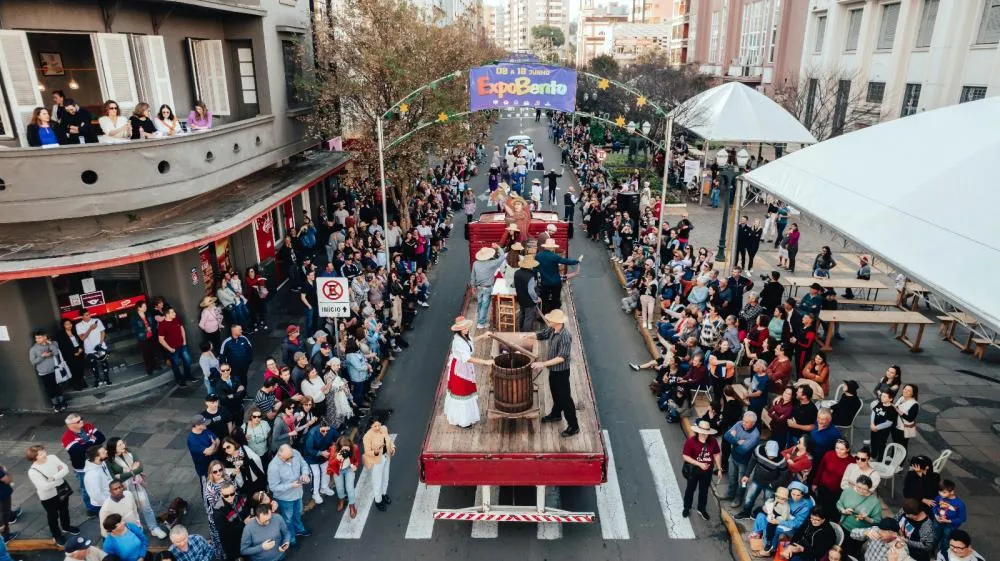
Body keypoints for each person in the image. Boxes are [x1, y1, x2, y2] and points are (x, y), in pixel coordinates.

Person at [105, 438, 167, 539]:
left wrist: (126, 473)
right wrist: (133, 470)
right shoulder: (110, 461)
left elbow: (140, 468)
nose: (123, 446)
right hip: (123, 489)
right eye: (119, 445)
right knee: (130, 511)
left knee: (146, 507)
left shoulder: (129, 453)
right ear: (113, 448)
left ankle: (153, 527)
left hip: (136, 484)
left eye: (122, 443)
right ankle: (135, 530)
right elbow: (115, 478)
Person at [444, 317, 493, 428]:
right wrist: (485, 362)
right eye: (463, 328)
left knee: (467, 392)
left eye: (466, 327)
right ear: (458, 330)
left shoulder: (464, 336)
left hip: (464, 367)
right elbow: (467, 358)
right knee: (462, 393)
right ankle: (462, 420)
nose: (466, 329)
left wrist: (483, 336)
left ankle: (468, 417)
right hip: (460, 370)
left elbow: (471, 341)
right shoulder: (458, 341)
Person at [25, 445, 78, 544]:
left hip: (61, 490)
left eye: (43, 451)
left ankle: (66, 527)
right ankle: (56, 535)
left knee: (64, 510)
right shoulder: (33, 471)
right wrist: (58, 476)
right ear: (34, 457)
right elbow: (43, 487)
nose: (44, 454)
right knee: (53, 516)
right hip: (48, 497)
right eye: (40, 454)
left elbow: (66, 469)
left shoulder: (52, 457)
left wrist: (52, 478)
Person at [62, 414, 106, 517]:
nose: (82, 422)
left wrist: (87, 445)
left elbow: (102, 437)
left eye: (81, 419)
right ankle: (91, 509)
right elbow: (78, 451)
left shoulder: (87, 426)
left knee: (102, 481)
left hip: (97, 462)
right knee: (85, 488)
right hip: (82, 467)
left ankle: (102, 502)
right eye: (78, 421)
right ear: (70, 425)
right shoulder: (67, 437)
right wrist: (93, 442)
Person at [266, 445, 310, 546]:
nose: (290, 460)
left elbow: (303, 464)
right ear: (279, 455)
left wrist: (305, 473)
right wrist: (291, 485)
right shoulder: (273, 467)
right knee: (288, 519)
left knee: (298, 513)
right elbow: (273, 487)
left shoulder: (294, 452)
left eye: (291, 457)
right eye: (287, 459)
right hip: (285, 498)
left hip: (298, 493)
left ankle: (299, 529)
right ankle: (292, 538)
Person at [736, 440, 788, 519]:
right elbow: (752, 461)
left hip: (770, 485)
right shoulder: (758, 450)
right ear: (766, 449)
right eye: (770, 454)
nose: (771, 457)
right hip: (757, 480)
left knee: (768, 503)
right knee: (749, 498)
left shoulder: (781, 460)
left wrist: (773, 484)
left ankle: (764, 517)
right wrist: (747, 475)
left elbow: (784, 476)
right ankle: (746, 513)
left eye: (773, 455)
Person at [681, 420, 722, 520]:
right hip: (694, 471)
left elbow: (716, 454)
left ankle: (701, 509)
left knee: (704, 491)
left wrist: (719, 468)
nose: (704, 435)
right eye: (702, 433)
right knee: (690, 489)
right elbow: (685, 456)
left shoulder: (713, 441)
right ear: (698, 431)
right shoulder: (691, 441)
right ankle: (687, 507)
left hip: (707, 472)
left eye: (706, 433)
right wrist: (699, 464)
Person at [723, 412, 761, 508]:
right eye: (743, 420)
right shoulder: (739, 423)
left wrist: (733, 438)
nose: (743, 423)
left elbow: (742, 450)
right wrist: (737, 441)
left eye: (747, 422)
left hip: (744, 462)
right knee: (731, 477)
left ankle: (739, 498)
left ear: (753, 424)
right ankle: (731, 494)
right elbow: (726, 436)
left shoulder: (755, 435)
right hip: (733, 457)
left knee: (742, 482)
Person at [838, 475, 883, 556]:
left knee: (851, 554)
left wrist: (866, 518)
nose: (861, 491)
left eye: (864, 489)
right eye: (858, 487)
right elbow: (839, 503)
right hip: (843, 526)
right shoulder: (848, 491)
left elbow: (877, 521)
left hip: (859, 534)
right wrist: (843, 510)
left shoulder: (874, 502)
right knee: (839, 550)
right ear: (855, 484)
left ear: (869, 488)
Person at [535, 238, 582, 314]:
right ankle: (555, 314)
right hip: (555, 282)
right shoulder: (554, 256)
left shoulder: (538, 256)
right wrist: (577, 261)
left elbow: (535, 269)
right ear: (552, 247)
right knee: (555, 298)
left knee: (544, 299)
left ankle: (544, 315)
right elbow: (566, 261)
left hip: (545, 282)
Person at [812, 438, 854, 515]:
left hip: (838, 491)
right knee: (821, 507)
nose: (838, 451)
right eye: (837, 448)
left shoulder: (851, 461)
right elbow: (820, 469)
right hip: (823, 487)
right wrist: (815, 483)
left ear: (847, 449)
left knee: (833, 509)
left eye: (842, 449)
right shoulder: (828, 454)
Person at [29, 330, 67, 412]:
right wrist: (42, 356)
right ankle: (56, 404)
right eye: (36, 338)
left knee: (58, 387)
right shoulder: (33, 349)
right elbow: (33, 362)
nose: (37, 340)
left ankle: (62, 402)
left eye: (39, 338)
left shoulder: (53, 343)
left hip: (55, 370)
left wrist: (50, 344)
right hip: (44, 372)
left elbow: (56, 352)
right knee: (50, 389)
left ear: (45, 337)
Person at [362, 418, 395, 512]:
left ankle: (384, 493)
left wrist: (392, 448)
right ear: (370, 426)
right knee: (377, 481)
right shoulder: (367, 436)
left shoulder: (383, 429)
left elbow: (388, 440)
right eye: (375, 426)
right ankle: (378, 500)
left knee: (385, 477)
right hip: (376, 460)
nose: (377, 427)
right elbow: (367, 452)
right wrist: (375, 452)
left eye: (379, 425)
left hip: (386, 456)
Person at [469, 244, 506, 329]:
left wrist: (473, 287)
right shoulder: (491, 264)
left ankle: (480, 321)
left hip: (479, 287)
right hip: (488, 287)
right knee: (484, 306)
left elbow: (473, 277)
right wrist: (498, 247)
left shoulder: (475, 264)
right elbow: (502, 257)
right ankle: (481, 323)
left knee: (480, 305)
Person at [301, 423, 337, 505]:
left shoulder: (331, 430)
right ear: (319, 428)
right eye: (323, 431)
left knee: (326, 471)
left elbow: (338, 439)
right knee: (316, 474)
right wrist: (321, 453)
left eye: (327, 430)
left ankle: (324, 487)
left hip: (324, 455)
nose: (325, 433)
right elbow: (308, 449)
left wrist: (335, 445)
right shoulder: (312, 433)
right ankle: (315, 493)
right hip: (311, 457)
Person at [212, 482, 249, 561]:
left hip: (245, 537)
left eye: (232, 494)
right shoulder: (218, 511)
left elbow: (247, 510)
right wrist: (243, 524)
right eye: (226, 495)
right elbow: (226, 533)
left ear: (235, 491)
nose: (230, 497)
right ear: (221, 495)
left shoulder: (240, 498)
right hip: (233, 544)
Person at [158, 307, 194, 387]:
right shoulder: (162, 325)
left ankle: (188, 376)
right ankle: (179, 380)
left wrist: (184, 341)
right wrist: (169, 348)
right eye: (172, 312)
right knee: (175, 365)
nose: (175, 313)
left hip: (182, 345)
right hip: (173, 349)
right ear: (167, 314)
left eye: (174, 312)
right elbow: (161, 339)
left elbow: (182, 329)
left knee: (188, 361)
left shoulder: (176, 319)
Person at [76, 309, 112, 387]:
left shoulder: (97, 320)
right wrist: (90, 329)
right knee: (93, 365)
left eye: (89, 314)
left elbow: (102, 332)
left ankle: (107, 378)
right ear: (82, 316)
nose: (89, 316)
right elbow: (82, 338)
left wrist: (101, 343)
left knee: (104, 363)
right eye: (86, 315)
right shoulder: (78, 325)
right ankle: (97, 380)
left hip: (100, 347)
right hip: (89, 349)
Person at [327, 435, 360, 518]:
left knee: (350, 488)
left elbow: (356, 460)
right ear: (339, 447)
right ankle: (342, 500)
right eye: (344, 449)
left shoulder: (354, 448)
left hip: (349, 469)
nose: (346, 450)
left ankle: (351, 505)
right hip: (338, 470)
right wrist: (337, 459)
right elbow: (330, 464)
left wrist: (355, 466)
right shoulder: (333, 449)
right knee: (339, 487)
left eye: (348, 448)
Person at [933, 480, 967, 554]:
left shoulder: (960, 504)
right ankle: (932, 551)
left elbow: (962, 518)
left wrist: (949, 521)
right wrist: (936, 515)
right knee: (935, 536)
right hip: (938, 521)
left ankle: (942, 554)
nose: (941, 494)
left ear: (952, 492)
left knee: (946, 540)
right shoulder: (939, 497)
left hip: (950, 526)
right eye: (940, 491)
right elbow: (934, 505)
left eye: (944, 492)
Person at [187, 415, 221, 485]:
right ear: (196, 425)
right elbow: (208, 450)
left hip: (215, 464)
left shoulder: (205, 430)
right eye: (203, 423)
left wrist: (213, 450)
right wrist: (213, 444)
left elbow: (218, 440)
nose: (206, 425)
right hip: (204, 469)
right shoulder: (192, 440)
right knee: (207, 488)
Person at [56, 318, 87, 391]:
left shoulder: (74, 331)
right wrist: (74, 353)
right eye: (67, 324)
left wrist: (80, 349)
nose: (69, 325)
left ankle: (82, 382)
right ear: (63, 325)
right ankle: (76, 384)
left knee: (81, 367)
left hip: (79, 351)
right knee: (73, 369)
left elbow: (80, 341)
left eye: (70, 323)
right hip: (69, 354)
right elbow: (63, 346)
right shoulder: (61, 334)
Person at [513, 255, 541, 331]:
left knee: (522, 315)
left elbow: (514, 284)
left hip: (520, 298)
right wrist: (536, 299)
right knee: (528, 318)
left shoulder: (516, 273)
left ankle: (521, 331)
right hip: (529, 301)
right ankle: (526, 335)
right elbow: (531, 291)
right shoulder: (530, 276)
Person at [131, 301, 159, 376]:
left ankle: (155, 366)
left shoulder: (148, 314)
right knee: (146, 353)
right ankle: (149, 369)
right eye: (143, 306)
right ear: (138, 308)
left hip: (151, 335)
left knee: (153, 351)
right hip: (142, 337)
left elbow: (154, 323)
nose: (145, 307)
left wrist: (151, 328)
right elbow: (134, 329)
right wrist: (145, 329)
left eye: (145, 306)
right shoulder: (134, 317)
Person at [82, 446, 112, 513]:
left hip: (110, 497)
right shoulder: (92, 475)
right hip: (103, 504)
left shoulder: (102, 462)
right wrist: (110, 503)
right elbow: (97, 495)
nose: (106, 451)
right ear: (97, 457)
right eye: (104, 452)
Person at [870, 390, 898, 462]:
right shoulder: (880, 403)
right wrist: (872, 423)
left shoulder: (892, 410)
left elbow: (888, 423)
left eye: (884, 396)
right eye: (882, 395)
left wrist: (876, 427)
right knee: (873, 442)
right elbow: (874, 412)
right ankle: (873, 455)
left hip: (883, 431)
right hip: (874, 428)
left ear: (890, 399)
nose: (882, 397)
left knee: (881, 444)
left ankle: (880, 459)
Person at [893, 384, 920, 453]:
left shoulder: (914, 404)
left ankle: (900, 461)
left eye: (909, 391)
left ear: (913, 393)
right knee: (895, 443)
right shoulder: (902, 398)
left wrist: (898, 411)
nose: (905, 391)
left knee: (902, 445)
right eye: (905, 389)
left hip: (903, 428)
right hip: (897, 425)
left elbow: (910, 418)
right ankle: (893, 458)